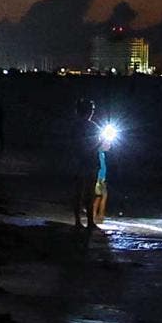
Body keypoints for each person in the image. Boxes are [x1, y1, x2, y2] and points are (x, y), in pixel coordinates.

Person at [72, 97, 100, 231]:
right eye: (91, 110)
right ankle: (88, 221)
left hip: (81, 161)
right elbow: (96, 145)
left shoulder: (76, 126)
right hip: (88, 161)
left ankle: (80, 221)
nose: (92, 112)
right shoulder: (92, 126)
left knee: (80, 191)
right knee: (88, 192)